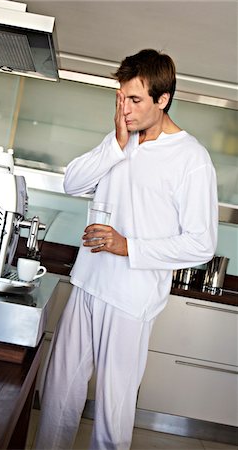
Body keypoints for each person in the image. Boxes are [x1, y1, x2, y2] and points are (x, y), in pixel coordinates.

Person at [35, 49, 218, 450]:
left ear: (162, 99)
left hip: (130, 300)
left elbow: (202, 243)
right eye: (120, 98)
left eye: (134, 100)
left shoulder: (192, 159)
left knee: (112, 413)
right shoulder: (121, 139)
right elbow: (72, 183)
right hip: (86, 283)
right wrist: (116, 145)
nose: (125, 109)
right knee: (58, 396)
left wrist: (126, 246)